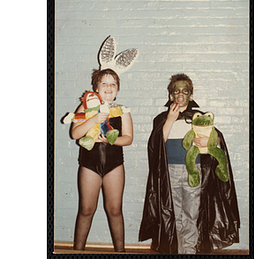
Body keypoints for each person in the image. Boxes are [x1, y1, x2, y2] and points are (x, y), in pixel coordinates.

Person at [139, 73, 240, 254]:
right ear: (171, 95)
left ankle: (189, 250)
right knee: (173, 212)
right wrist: (170, 119)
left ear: (191, 95)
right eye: (176, 91)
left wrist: (210, 141)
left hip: (194, 171)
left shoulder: (199, 117)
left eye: (185, 91)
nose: (180, 94)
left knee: (192, 213)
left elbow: (217, 138)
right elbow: (157, 143)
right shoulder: (162, 118)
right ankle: (176, 249)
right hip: (170, 172)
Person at [71, 68, 133, 251]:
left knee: (115, 210)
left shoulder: (122, 110)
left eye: (113, 83)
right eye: (104, 83)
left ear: (118, 89)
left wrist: (111, 140)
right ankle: (78, 250)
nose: (108, 87)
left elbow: (128, 138)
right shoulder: (84, 107)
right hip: (89, 165)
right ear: (96, 88)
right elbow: (75, 133)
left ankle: (120, 251)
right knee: (86, 210)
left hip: (114, 166)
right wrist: (94, 119)